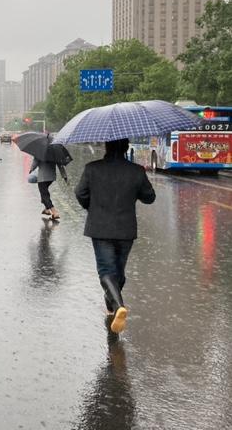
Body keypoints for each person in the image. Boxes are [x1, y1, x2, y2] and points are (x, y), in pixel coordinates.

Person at [75, 138, 156, 335]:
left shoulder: (92, 168)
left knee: (106, 271)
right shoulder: (136, 171)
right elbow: (149, 197)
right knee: (118, 272)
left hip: (100, 227)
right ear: (126, 148)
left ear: (106, 146)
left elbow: (80, 193)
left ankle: (118, 305)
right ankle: (112, 306)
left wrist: (92, 208)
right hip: (126, 229)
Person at [30, 155, 68, 220]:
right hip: (51, 177)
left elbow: (35, 163)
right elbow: (60, 165)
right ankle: (47, 209)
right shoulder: (54, 152)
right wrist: (64, 176)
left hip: (42, 177)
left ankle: (54, 212)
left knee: (44, 194)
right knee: (44, 191)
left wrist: (31, 169)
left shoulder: (39, 151)